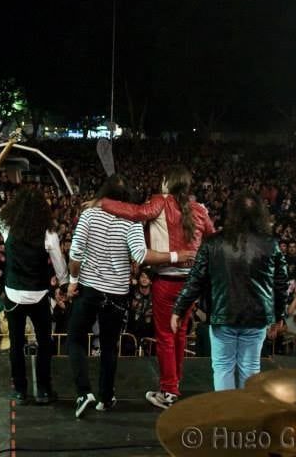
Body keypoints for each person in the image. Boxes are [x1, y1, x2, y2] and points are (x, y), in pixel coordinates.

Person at [96, 166, 215, 408]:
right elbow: (212, 236)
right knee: (180, 334)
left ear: (167, 182)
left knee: (165, 337)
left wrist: (103, 203)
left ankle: (169, 391)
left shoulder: (161, 201)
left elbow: (136, 212)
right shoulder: (199, 208)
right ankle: (174, 384)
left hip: (167, 282)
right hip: (191, 284)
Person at [68, 175, 178, 418]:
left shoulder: (89, 215)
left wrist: (73, 281)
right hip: (117, 292)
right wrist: (175, 256)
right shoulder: (132, 219)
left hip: (89, 288)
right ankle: (106, 398)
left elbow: (75, 253)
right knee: (109, 346)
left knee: (75, 339)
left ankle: (84, 392)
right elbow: (140, 255)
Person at [171, 190, 288, 392]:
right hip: (256, 317)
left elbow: (195, 279)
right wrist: (279, 315)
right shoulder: (270, 245)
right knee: (250, 368)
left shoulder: (213, 243)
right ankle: (245, 411)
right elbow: (281, 283)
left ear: (232, 213)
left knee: (223, 368)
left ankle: (226, 411)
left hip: (223, 315)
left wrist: (179, 309)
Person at [0, 166, 68, 405]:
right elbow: (60, 266)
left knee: (16, 344)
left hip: (13, 294)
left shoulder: (8, 227)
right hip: (39, 295)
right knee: (44, 343)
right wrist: (63, 285)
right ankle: (43, 391)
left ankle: (20, 391)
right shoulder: (49, 233)